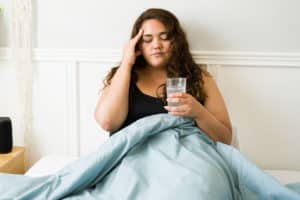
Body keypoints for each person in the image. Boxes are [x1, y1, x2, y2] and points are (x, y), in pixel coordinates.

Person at [95, 8, 232, 144]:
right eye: (147, 39)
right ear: (138, 45)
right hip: (134, 158)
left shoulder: (199, 78)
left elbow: (225, 138)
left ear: (176, 42)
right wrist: (126, 62)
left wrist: (199, 112)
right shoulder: (123, 76)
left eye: (164, 37)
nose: (156, 45)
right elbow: (108, 123)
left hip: (184, 157)